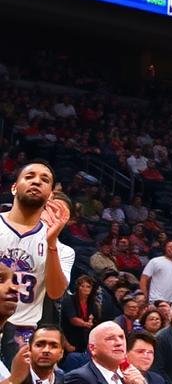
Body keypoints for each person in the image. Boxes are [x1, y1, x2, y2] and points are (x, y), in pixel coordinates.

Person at [1, 161, 74, 360]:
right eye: (29, 176)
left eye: (44, 179)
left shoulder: (62, 250)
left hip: (22, 334)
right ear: (14, 187)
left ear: (50, 196)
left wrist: (51, 244)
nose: (36, 181)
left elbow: (55, 292)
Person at [62, 321, 142, 384]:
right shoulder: (79, 378)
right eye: (110, 338)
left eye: (121, 337)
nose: (119, 343)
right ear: (92, 349)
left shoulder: (129, 378)